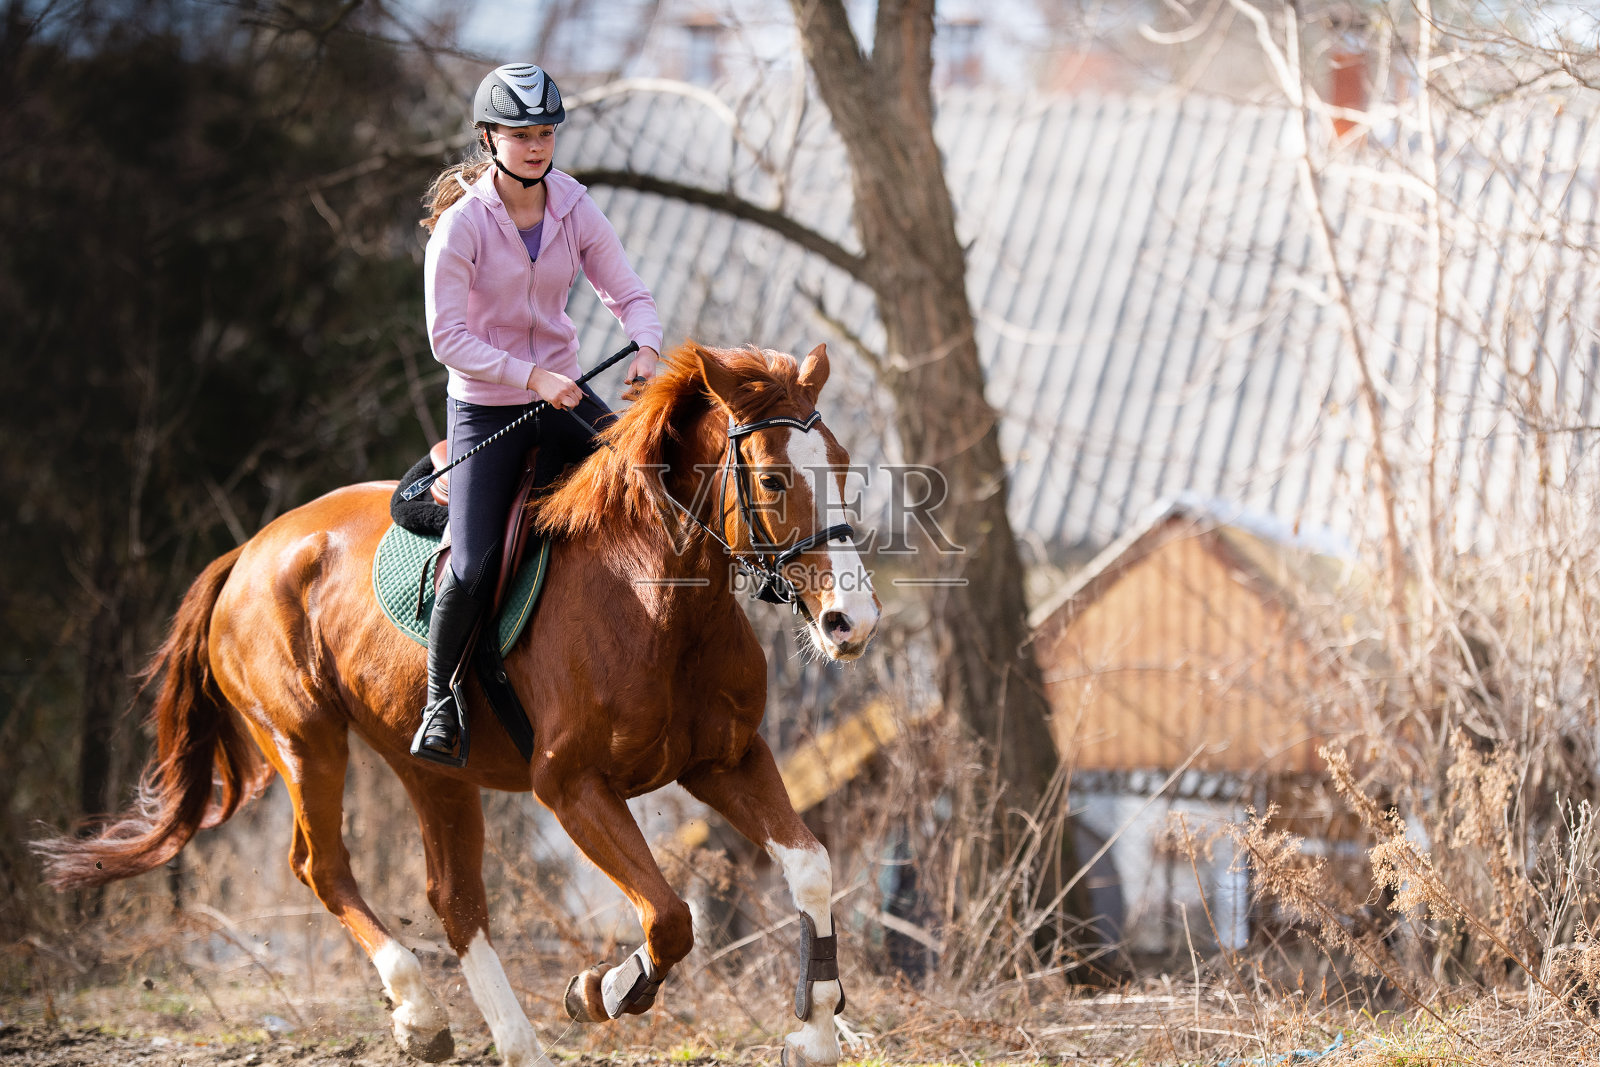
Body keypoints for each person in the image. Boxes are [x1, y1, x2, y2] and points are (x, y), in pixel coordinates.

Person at [412, 63, 662, 766]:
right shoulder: (460, 227)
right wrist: (530, 376)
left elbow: (629, 292)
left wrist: (647, 345)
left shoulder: (575, 206)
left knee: (652, 487)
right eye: (520, 135)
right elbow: (446, 339)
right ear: (488, 139)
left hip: (565, 396)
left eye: (546, 133)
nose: (535, 146)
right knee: (473, 564)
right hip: (488, 409)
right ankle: (439, 703)